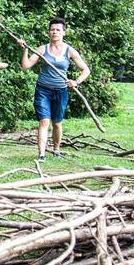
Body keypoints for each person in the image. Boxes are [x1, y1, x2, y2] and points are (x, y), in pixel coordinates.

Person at [17, 17, 90, 162]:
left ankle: (56, 150)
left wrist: (76, 82)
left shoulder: (69, 51)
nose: (54, 32)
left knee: (57, 123)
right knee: (44, 121)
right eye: (52, 30)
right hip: (43, 90)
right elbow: (25, 66)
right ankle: (42, 155)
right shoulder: (42, 49)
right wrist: (25, 49)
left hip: (61, 91)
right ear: (49, 32)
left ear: (64, 32)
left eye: (58, 30)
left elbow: (85, 70)